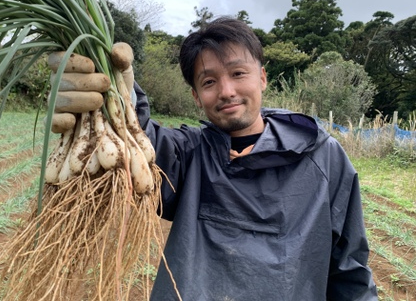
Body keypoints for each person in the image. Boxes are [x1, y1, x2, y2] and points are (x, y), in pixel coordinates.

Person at [50, 17, 378, 300]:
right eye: (209, 81)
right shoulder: (191, 154)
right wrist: (115, 101)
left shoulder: (323, 157)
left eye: (238, 73)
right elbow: (140, 145)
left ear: (262, 77)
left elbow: (349, 267)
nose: (226, 91)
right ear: (196, 96)